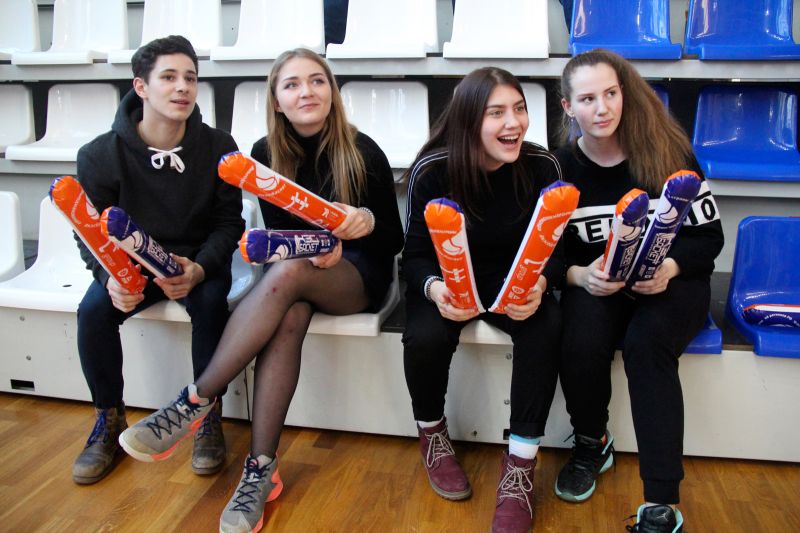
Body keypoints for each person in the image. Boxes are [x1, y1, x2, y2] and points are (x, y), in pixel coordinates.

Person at [118, 48, 404, 532]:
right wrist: (312, 247)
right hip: (301, 273)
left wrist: (365, 222)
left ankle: (196, 399)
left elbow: (393, 240)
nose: (306, 92)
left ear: (331, 92)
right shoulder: (264, 154)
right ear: (276, 100)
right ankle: (260, 471)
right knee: (290, 311)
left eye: (317, 81)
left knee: (289, 274)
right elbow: (280, 239)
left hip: (360, 275)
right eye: (292, 84)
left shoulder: (363, 149)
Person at [554, 49, 723, 532]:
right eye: (588, 99)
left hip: (674, 282)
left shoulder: (667, 151)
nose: (602, 108)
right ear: (568, 108)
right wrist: (579, 276)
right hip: (599, 285)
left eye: (611, 93)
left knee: (647, 345)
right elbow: (547, 254)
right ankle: (592, 443)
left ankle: (661, 502)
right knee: (578, 335)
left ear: (623, 94)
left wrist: (670, 266)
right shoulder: (558, 168)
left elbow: (709, 238)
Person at [71, 35, 244, 485]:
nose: (183, 87)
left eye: (190, 78)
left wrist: (200, 268)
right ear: (141, 87)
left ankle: (206, 413)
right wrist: (110, 276)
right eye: (169, 77)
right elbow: (89, 232)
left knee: (211, 304)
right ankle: (109, 419)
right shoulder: (98, 155)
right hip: (132, 267)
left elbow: (229, 223)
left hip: (196, 261)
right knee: (93, 311)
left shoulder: (219, 145)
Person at [402, 67, 564, 533]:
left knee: (546, 326)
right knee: (425, 337)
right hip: (449, 279)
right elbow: (414, 255)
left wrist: (541, 283)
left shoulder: (543, 166)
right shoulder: (432, 170)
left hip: (516, 280)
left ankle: (520, 467)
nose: (513, 123)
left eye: (519, 109)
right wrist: (435, 289)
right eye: (497, 113)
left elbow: (559, 247)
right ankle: (432, 433)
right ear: (469, 120)